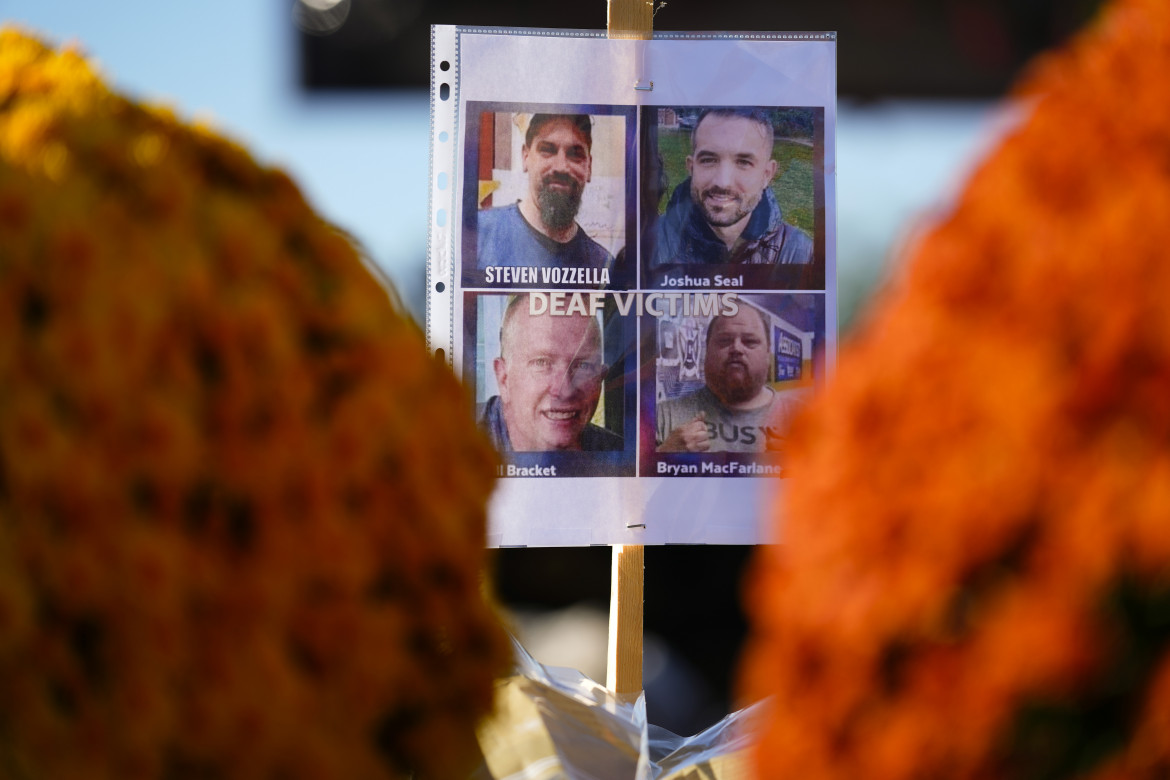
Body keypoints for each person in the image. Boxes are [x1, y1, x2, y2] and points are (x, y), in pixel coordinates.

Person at [650, 108, 813, 270]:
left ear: (767, 175)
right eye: (708, 160)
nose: (723, 182)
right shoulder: (648, 242)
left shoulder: (802, 253)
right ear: (691, 168)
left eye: (743, 162)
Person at [481, 294, 623, 452]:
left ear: (600, 378)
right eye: (542, 362)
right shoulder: (455, 439)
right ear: (503, 378)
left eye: (583, 366)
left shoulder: (621, 455)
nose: (565, 391)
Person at [477, 114, 615, 271]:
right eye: (548, 150)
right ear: (525, 157)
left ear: (589, 167)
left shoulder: (604, 265)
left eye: (575, 154)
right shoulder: (479, 234)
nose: (561, 167)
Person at [657, 306, 803, 453]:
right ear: (707, 350)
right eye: (724, 340)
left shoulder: (804, 417)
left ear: (767, 353)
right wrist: (667, 453)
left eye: (750, 341)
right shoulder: (664, 416)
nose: (736, 349)